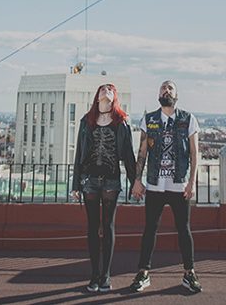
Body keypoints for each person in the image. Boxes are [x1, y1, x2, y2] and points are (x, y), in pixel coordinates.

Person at [129, 80, 202, 293]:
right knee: (150, 229)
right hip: (154, 185)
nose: (166, 90)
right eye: (162, 87)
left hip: (179, 185)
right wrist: (137, 179)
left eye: (170, 87)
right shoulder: (149, 119)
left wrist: (192, 182)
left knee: (184, 230)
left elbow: (195, 152)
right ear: (158, 94)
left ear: (176, 95)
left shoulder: (188, 119)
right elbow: (142, 152)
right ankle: (143, 273)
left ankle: (189, 273)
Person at [71, 83, 136, 293]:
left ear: (114, 96)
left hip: (111, 181)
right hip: (89, 179)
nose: (105, 91)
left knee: (107, 227)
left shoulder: (121, 123)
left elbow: (128, 156)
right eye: (102, 89)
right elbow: (79, 153)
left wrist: (135, 181)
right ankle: (94, 274)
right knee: (92, 227)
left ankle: (106, 274)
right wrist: (75, 184)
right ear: (97, 96)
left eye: (110, 89)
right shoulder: (86, 121)